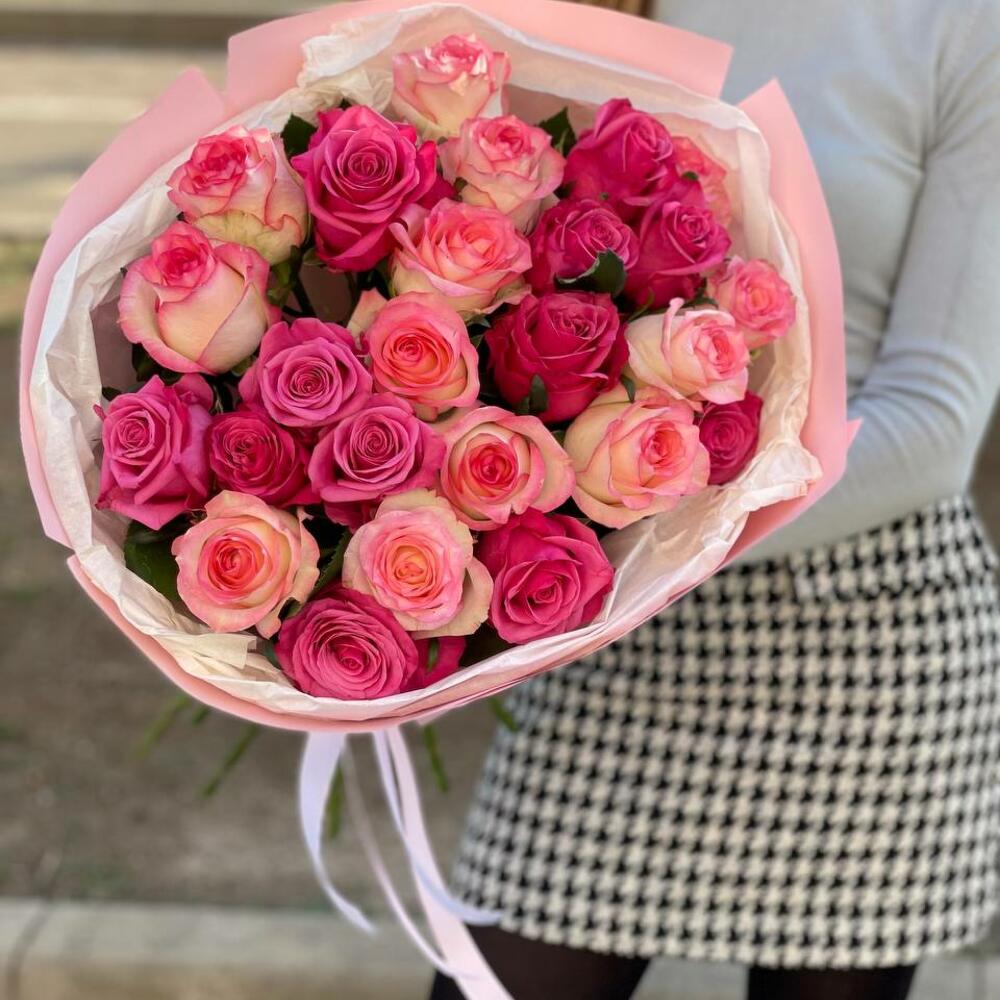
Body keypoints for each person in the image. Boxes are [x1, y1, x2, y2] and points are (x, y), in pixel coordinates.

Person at [430, 0, 1000, 997]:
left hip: (858, 648)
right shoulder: (594, 6)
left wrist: (634, 521)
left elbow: (934, 425)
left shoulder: (962, 27)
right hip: (617, 636)